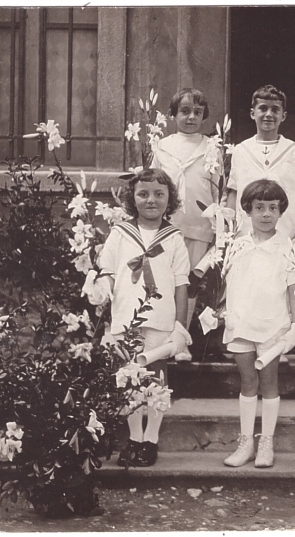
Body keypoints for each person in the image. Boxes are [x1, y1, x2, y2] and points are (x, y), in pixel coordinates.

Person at [98, 169, 190, 467]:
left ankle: (151, 439)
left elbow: (181, 284)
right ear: (132, 199)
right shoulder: (120, 233)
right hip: (127, 316)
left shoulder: (174, 238)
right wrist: (99, 291)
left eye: (159, 194)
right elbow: (108, 273)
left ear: (170, 199)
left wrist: (179, 326)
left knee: (155, 379)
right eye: (143, 194)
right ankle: (134, 437)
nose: (151, 200)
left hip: (160, 318)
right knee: (129, 378)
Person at [221, 179, 295, 468]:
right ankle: (246, 442)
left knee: (268, 382)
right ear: (247, 210)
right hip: (241, 322)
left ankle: (266, 441)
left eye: (272, 208)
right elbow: (226, 283)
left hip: (272, 326)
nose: (266, 214)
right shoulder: (236, 246)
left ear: (281, 212)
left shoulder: (288, 248)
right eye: (259, 208)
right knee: (247, 382)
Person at [150, 88, 221, 327]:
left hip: (199, 226)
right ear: (173, 114)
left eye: (197, 112)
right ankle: (163, 331)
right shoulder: (162, 146)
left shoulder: (211, 147)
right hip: (168, 225)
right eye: (185, 111)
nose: (191, 117)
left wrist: (217, 226)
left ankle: (182, 334)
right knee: (167, 278)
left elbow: (216, 190)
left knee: (190, 282)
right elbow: (152, 183)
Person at [225, 85, 295, 253]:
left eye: (275, 109)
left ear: (283, 115)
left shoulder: (294, 150)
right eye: (263, 108)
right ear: (252, 113)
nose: (269, 114)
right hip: (245, 234)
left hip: (284, 233)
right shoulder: (241, 150)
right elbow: (234, 191)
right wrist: (228, 228)